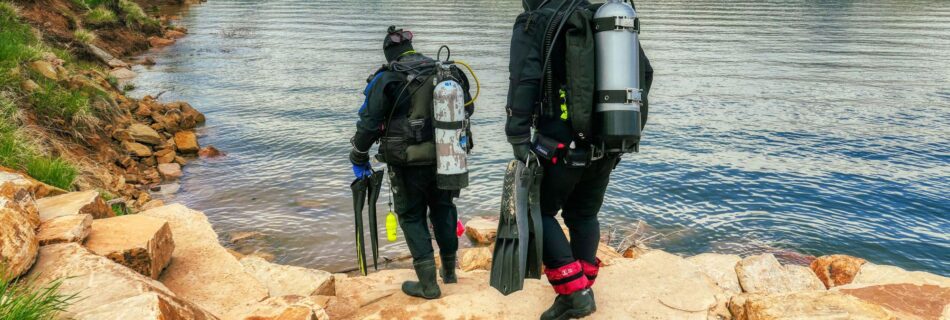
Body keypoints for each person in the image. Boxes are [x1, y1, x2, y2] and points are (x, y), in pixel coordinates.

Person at [505, 0, 653, 319]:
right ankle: (584, 287)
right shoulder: (603, 18)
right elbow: (645, 76)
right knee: (583, 215)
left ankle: (574, 295)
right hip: (608, 140)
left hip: (560, 145)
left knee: (538, 213)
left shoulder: (534, 22)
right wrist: (623, 135)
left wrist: (516, 134)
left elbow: (525, 79)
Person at [349, 26, 475, 299]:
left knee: (411, 216)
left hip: (407, 163)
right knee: (443, 208)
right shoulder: (446, 72)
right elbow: (469, 108)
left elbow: (369, 124)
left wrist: (357, 155)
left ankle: (428, 285)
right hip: (448, 157)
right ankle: (450, 272)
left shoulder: (386, 78)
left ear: (389, 52)